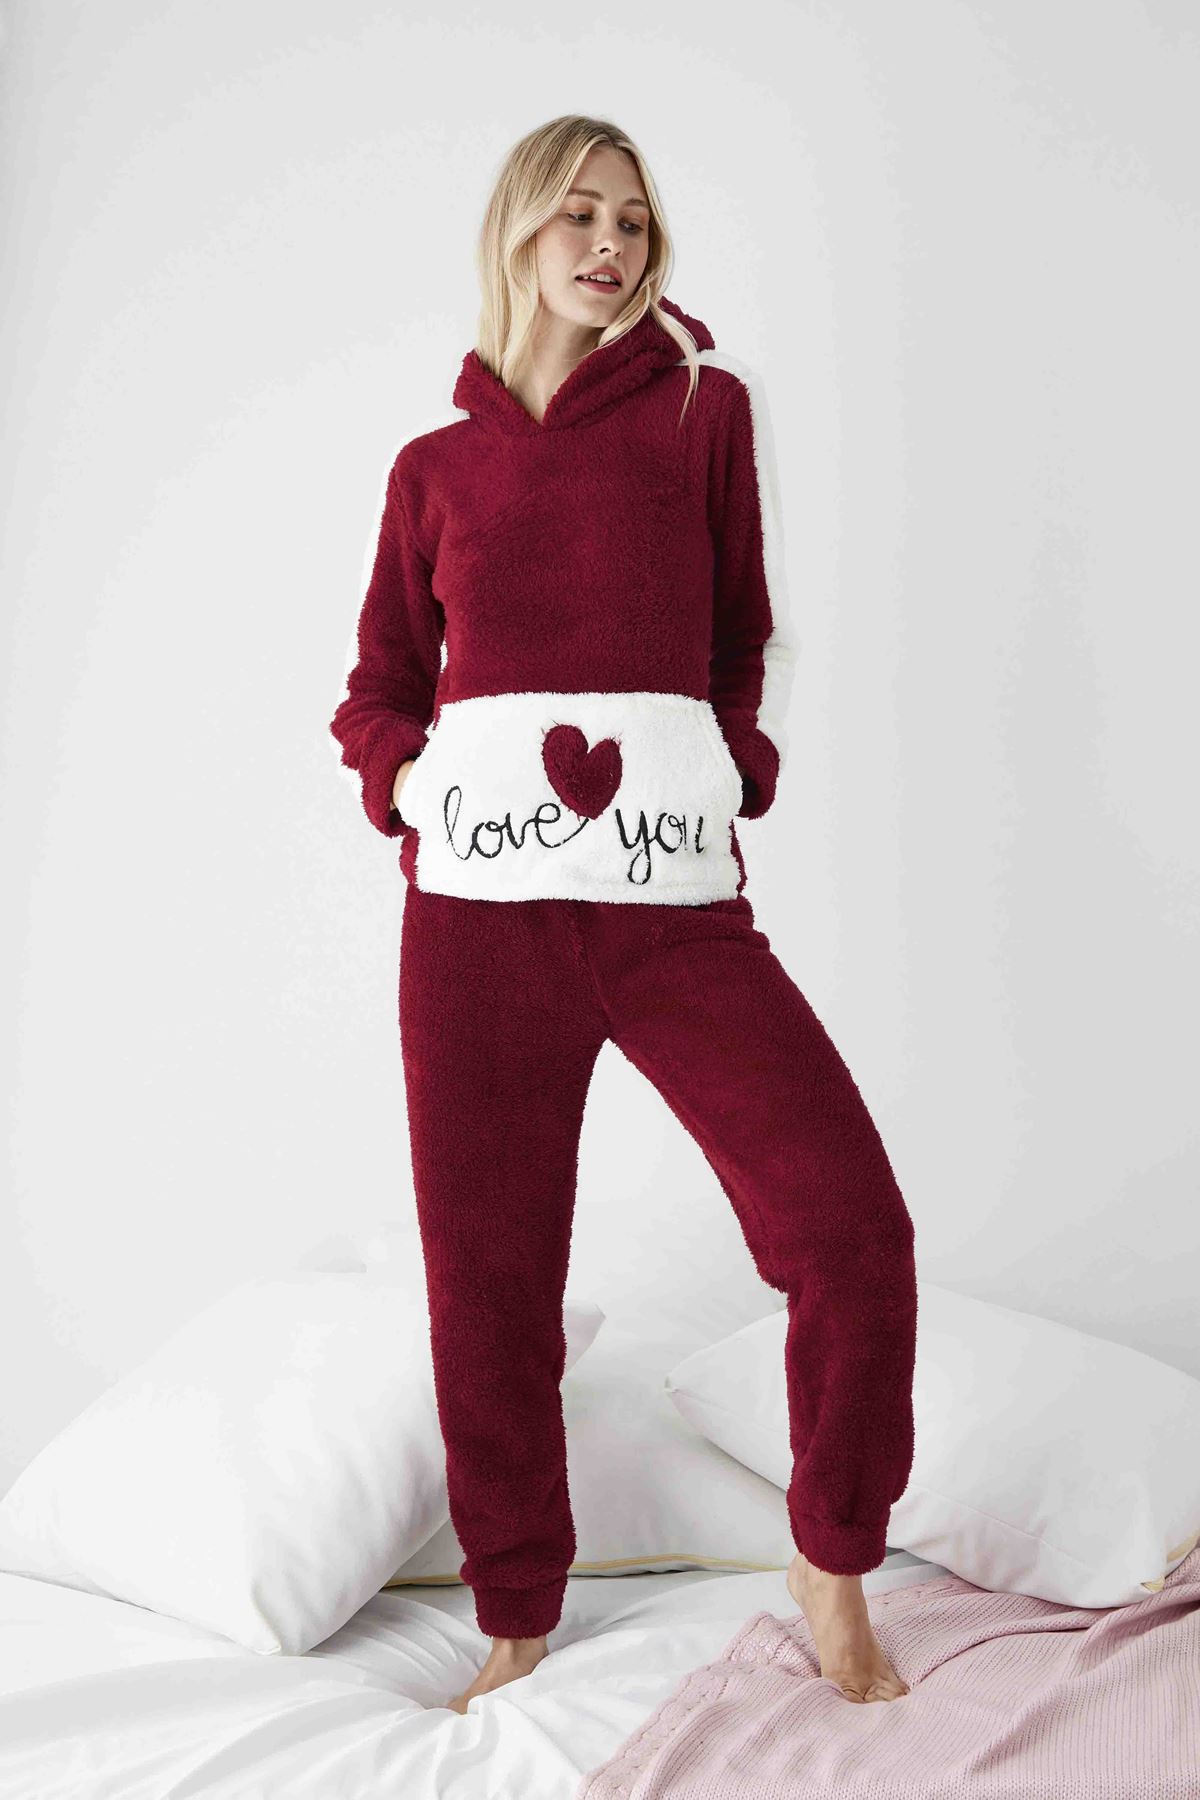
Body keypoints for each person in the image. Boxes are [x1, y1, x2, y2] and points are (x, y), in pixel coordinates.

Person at [330, 114, 917, 1713]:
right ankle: (517, 1612)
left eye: (636, 222)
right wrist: (413, 781)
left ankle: (833, 1563)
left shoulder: (705, 412)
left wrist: (733, 771)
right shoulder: (433, 470)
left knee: (850, 1232)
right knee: (490, 1287)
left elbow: (745, 637)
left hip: (672, 911)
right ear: (517, 232)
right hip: (478, 927)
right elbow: (377, 690)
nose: (609, 245)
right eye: (578, 215)